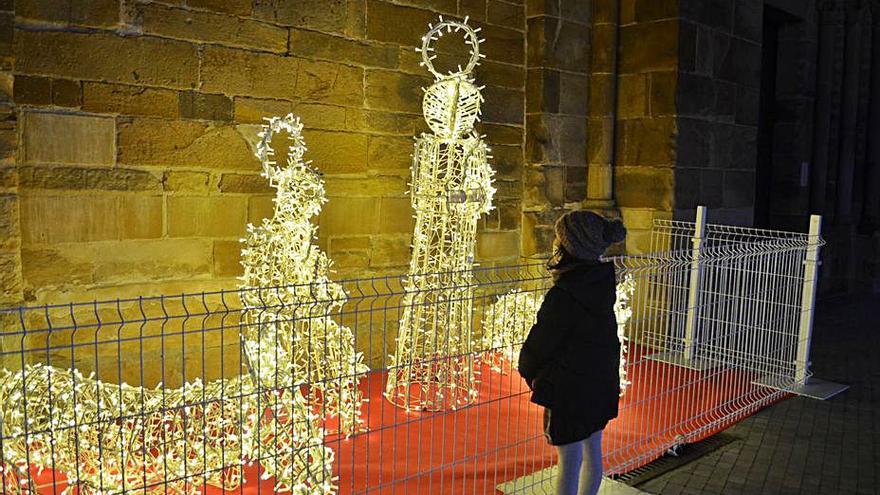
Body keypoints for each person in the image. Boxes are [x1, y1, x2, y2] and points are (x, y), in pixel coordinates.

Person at [517, 210, 626, 495]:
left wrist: (532, 372)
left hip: (569, 390)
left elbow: (538, 345)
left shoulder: (564, 294)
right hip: (599, 384)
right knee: (592, 451)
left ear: (569, 246)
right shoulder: (601, 284)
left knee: (569, 460)